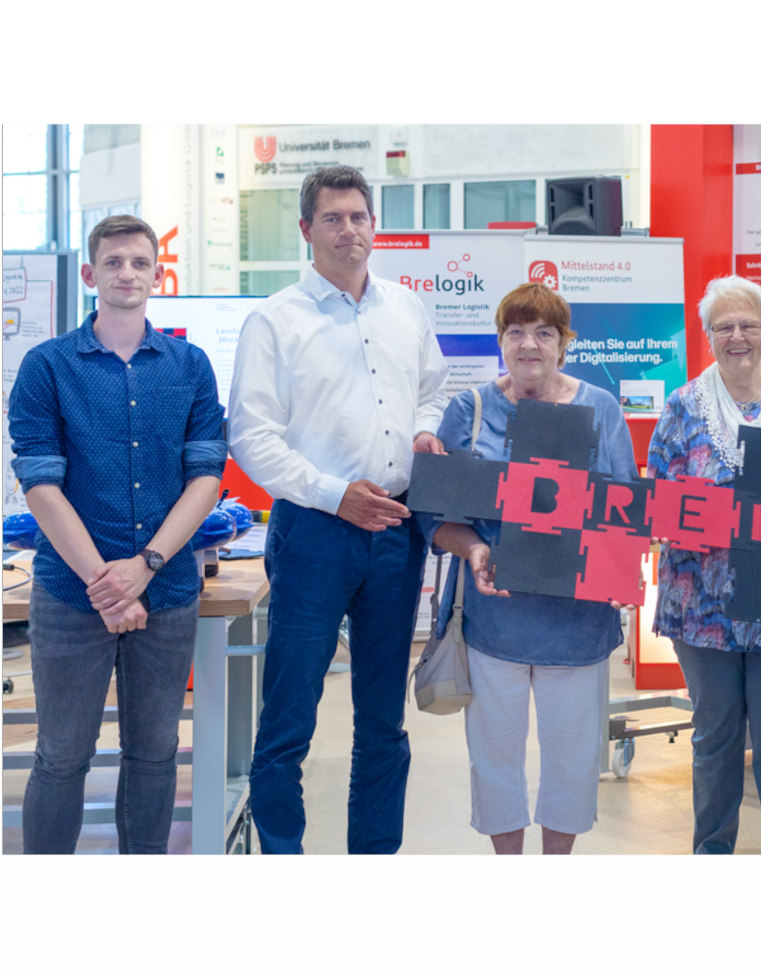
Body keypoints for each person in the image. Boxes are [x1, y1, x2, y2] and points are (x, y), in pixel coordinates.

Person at [227, 165, 449, 854]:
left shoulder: (406, 307)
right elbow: (251, 434)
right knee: (290, 718)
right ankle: (286, 857)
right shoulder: (274, 319)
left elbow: (436, 390)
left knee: (383, 719)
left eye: (358, 216)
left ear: (373, 226)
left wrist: (423, 433)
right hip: (316, 532)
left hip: (396, 532)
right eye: (333, 218)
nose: (348, 229)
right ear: (306, 231)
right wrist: (334, 494)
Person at [9, 214, 226, 854]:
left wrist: (146, 567)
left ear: (158, 275)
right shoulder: (47, 367)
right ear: (90, 274)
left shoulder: (190, 366)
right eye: (113, 262)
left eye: (139, 263)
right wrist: (106, 582)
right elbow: (40, 483)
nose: (126, 273)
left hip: (166, 591)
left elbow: (206, 478)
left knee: (156, 753)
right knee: (60, 755)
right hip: (72, 595)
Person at [427, 282, 637, 854]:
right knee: (495, 759)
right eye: (516, 332)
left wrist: (620, 573)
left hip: (577, 623)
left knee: (572, 763)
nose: (529, 344)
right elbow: (435, 516)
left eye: (544, 332)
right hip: (495, 623)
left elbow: (625, 510)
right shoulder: (468, 412)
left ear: (563, 344)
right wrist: (473, 549)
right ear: (500, 341)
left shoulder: (600, 408)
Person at [647, 275, 761, 855]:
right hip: (704, 606)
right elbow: (657, 499)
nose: (736, 336)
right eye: (723, 326)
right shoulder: (682, 406)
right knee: (716, 738)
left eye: (748, 325)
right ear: (707, 337)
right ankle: (712, 854)